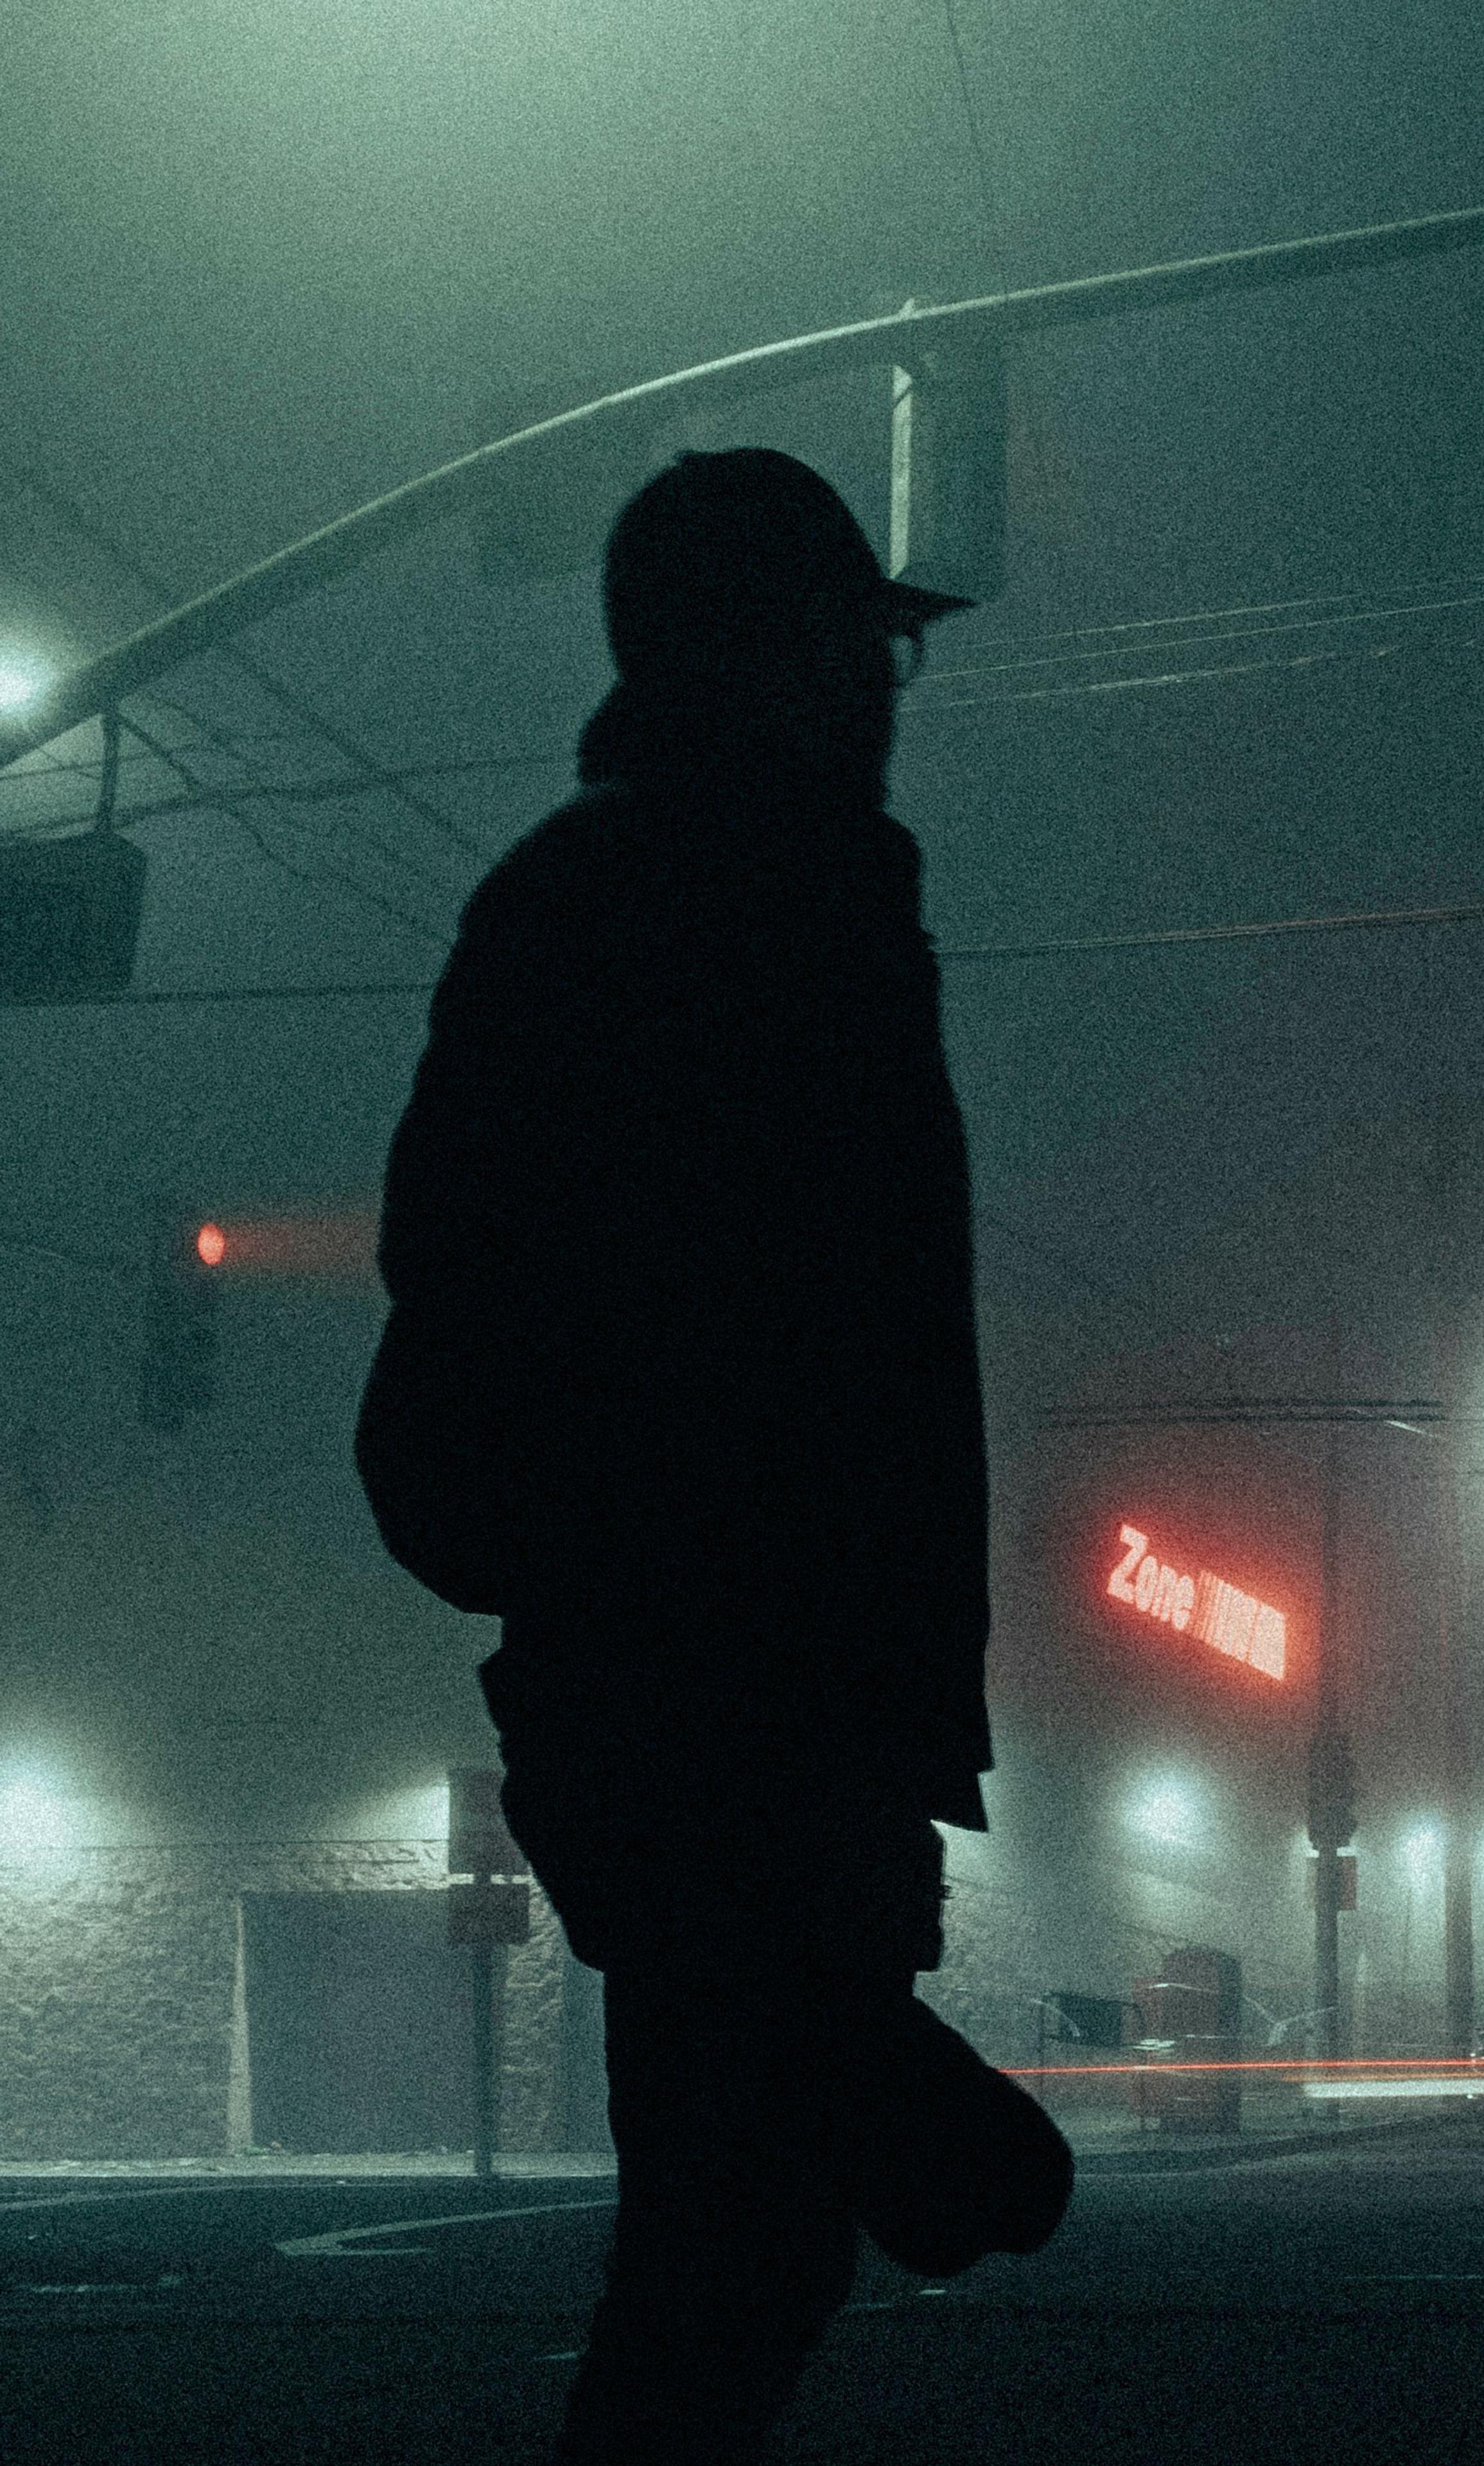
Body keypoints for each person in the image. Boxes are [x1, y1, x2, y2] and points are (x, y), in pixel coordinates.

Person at [356, 447, 1072, 2465]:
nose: (885, 688)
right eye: (862, 643)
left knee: (744, 2225)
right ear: (772, 652)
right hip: (748, 1690)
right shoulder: (765, 890)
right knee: (755, 2237)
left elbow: (484, 1284)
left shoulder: (600, 892)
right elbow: (837, 1352)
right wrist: (856, 1705)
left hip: (689, 1685)